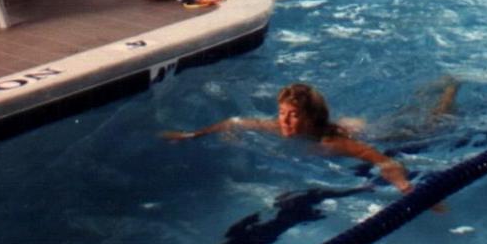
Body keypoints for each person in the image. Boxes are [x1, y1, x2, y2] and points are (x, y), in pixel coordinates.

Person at [160, 83, 414, 195]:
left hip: (385, 135)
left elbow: (382, 159)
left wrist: (404, 186)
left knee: (423, 125)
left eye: (293, 115)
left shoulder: (332, 143)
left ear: (311, 118)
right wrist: (191, 135)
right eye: (282, 113)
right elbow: (233, 122)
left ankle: (441, 96)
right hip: (344, 127)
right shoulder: (276, 128)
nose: (284, 121)